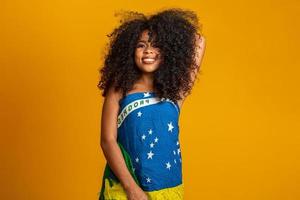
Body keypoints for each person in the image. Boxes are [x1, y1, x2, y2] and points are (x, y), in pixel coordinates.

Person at [97, 8, 206, 200]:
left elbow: (199, 40)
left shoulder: (176, 91)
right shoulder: (119, 89)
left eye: (157, 45)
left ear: (169, 51)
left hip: (168, 189)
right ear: (130, 51)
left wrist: (170, 32)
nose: (148, 50)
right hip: (127, 190)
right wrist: (131, 189)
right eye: (141, 45)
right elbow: (107, 140)